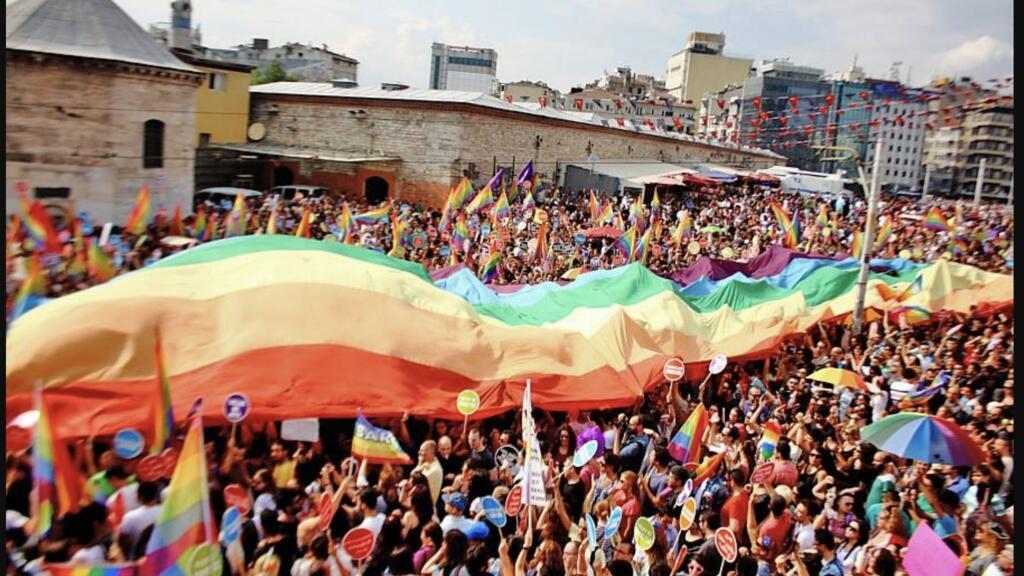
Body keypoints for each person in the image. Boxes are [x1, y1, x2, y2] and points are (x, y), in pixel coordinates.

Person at [415, 440, 444, 505]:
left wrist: (419, 465)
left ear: (431, 452)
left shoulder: (435, 470)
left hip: (425, 507)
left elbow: (413, 479)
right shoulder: (427, 462)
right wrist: (420, 464)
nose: (419, 452)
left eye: (422, 450)